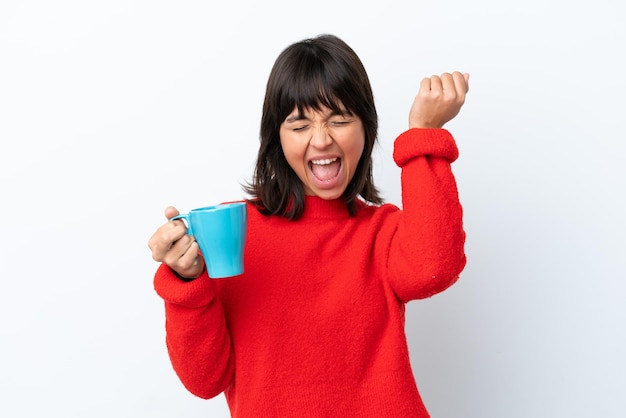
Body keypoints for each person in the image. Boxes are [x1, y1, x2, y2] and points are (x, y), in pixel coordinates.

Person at [148, 34, 469, 418]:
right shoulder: (232, 233)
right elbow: (205, 380)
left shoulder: (382, 232)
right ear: (276, 139)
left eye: (339, 119)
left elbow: (433, 268)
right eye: (299, 126)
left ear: (366, 129)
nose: (321, 139)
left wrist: (423, 133)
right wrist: (186, 280)